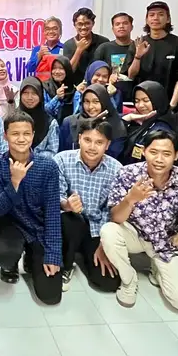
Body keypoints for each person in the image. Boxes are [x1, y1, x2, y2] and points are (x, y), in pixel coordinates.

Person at [102, 129, 178, 311]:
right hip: (134, 235)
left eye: (166, 154)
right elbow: (115, 218)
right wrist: (130, 199)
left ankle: (157, 269)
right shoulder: (128, 173)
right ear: (144, 151)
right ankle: (129, 280)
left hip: (165, 243)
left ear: (176, 155)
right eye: (153, 152)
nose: (159, 159)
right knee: (108, 231)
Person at [0, 112, 64, 302]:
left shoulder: (48, 167)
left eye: (26, 134)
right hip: (10, 226)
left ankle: (32, 256)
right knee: (4, 254)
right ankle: (11, 264)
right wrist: (14, 183)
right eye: (15, 134)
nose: (21, 139)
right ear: (5, 136)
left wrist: (53, 254)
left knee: (50, 296)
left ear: (33, 135)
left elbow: (53, 213)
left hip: (37, 229)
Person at [55, 120, 121, 293]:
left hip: (97, 229)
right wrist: (67, 204)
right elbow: (54, 197)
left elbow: (113, 212)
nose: (92, 147)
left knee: (109, 283)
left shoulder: (117, 169)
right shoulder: (62, 160)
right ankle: (66, 264)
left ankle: (84, 254)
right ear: (79, 139)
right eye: (87, 140)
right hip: (69, 224)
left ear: (108, 145)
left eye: (99, 142)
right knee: (71, 221)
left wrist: (105, 244)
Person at [122, 1, 178, 107]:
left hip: (169, 102)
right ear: (147, 20)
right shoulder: (138, 44)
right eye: (152, 15)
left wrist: (172, 104)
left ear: (168, 19)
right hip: (141, 102)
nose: (155, 18)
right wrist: (137, 57)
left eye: (161, 14)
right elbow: (130, 75)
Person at [60, 84, 126, 160]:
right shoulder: (70, 122)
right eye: (86, 101)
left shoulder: (116, 126)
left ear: (104, 102)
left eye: (96, 102)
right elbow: (62, 153)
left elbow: (112, 157)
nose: (90, 106)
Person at [123, 81, 177, 163]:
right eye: (137, 101)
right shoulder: (141, 122)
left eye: (146, 100)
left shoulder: (161, 129)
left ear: (158, 100)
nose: (140, 105)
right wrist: (128, 118)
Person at [62, 7, 109, 89]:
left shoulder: (103, 42)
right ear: (75, 25)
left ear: (93, 23)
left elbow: (107, 68)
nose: (83, 27)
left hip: (98, 87)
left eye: (87, 23)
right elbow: (68, 72)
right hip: (75, 88)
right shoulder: (68, 44)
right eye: (80, 24)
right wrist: (79, 50)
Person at [95, 12, 136, 99]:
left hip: (135, 95)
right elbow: (94, 73)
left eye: (125, 23)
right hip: (110, 96)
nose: (121, 26)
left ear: (131, 27)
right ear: (113, 29)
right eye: (117, 24)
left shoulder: (138, 47)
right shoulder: (104, 48)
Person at [16, 77, 59, 155]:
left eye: (34, 93)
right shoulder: (12, 120)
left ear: (40, 95)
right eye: (25, 93)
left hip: (42, 162)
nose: (29, 97)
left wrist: (30, 157)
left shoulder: (50, 123)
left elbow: (53, 152)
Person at [42, 56, 73, 122]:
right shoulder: (45, 87)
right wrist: (57, 98)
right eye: (54, 68)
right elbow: (44, 111)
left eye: (61, 68)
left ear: (67, 70)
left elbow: (77, 113)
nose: (57, 72)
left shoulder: (73, 89)